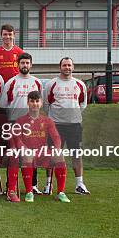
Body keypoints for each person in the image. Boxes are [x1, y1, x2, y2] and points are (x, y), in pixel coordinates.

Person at [13, 91, 70, 203]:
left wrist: (57, 148)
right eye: (32, 101)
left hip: (42, 152)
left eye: (37, 101)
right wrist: (24, 149)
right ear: (28, 103)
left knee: (59, 156)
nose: (35, 104)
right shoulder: (20, 120)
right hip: (27, 153)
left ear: (41, 103)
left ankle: (60, 192)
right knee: (28, 155)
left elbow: (56, 137)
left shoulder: (47, 120)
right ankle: (29, 192)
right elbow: (17, 138)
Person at [0, 52, 43, 194]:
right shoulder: (11, 82)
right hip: (14, 123)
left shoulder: (37, 82)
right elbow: (3, 103)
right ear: (18, 65)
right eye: (22, 63)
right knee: (13, 155)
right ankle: (10, 185)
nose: (25, 65)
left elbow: (40, 102)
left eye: (27, 63)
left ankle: (33, 184)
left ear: (31, 64)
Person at [44, 57, 89, 195]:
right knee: (53, 155)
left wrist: (72, 116)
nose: (67, 68)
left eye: (69, 65)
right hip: (56, 125)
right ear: (60, 67)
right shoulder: (51, 84)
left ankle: (79, 184)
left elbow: (82, 104)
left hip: (74, 125)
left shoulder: (80, 84)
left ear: (73, 67)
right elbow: (46, 105)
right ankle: (48, 184)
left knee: (76, 155)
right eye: (64, 65)